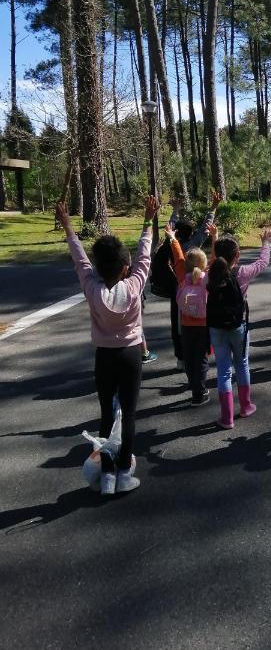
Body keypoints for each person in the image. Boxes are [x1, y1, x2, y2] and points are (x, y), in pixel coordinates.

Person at [56, 195, 160, 496]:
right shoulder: (134, 284)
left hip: (104, 356)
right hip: (130, 354)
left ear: (98, 268)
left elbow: (80, 258)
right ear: (125, 268)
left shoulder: (92, 287)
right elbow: (144, 256)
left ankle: (107, 476)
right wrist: (145, 221)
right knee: (128, 414)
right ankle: (125, 472)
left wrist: (67, 226)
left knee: (105, 414)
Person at [206, 227, 271, 429]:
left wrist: (214, 239)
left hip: (216, 327)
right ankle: (245, 406)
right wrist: (266, 242)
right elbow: (263, 262)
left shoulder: (210, 274)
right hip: (238, 325)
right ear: (237, 255)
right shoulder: (242, 273)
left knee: (223, 371)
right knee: (242, 364)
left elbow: (213, 261)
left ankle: (227, 418)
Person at [152, 191, 221, 370]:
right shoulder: (193, 245)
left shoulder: (172, 246)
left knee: (178, 325)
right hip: (199, 291)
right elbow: (206, 227)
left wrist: (175, 210)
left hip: (178, 290)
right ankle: (202, 355)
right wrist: (213, 206)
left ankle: (181, 358)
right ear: (191, 233)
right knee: (201, 322)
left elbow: (171, 227)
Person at [165, 222, 217, 406]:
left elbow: (178, 257)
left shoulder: (181, 275)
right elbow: (215, 260)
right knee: (201, 358)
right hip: (203, 325)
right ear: (204, 265)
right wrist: (214, 237)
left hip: (185, 325)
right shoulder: (208, 277)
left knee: (189, 357)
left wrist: (172, 237)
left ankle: (193, 385)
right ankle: (199, 391)